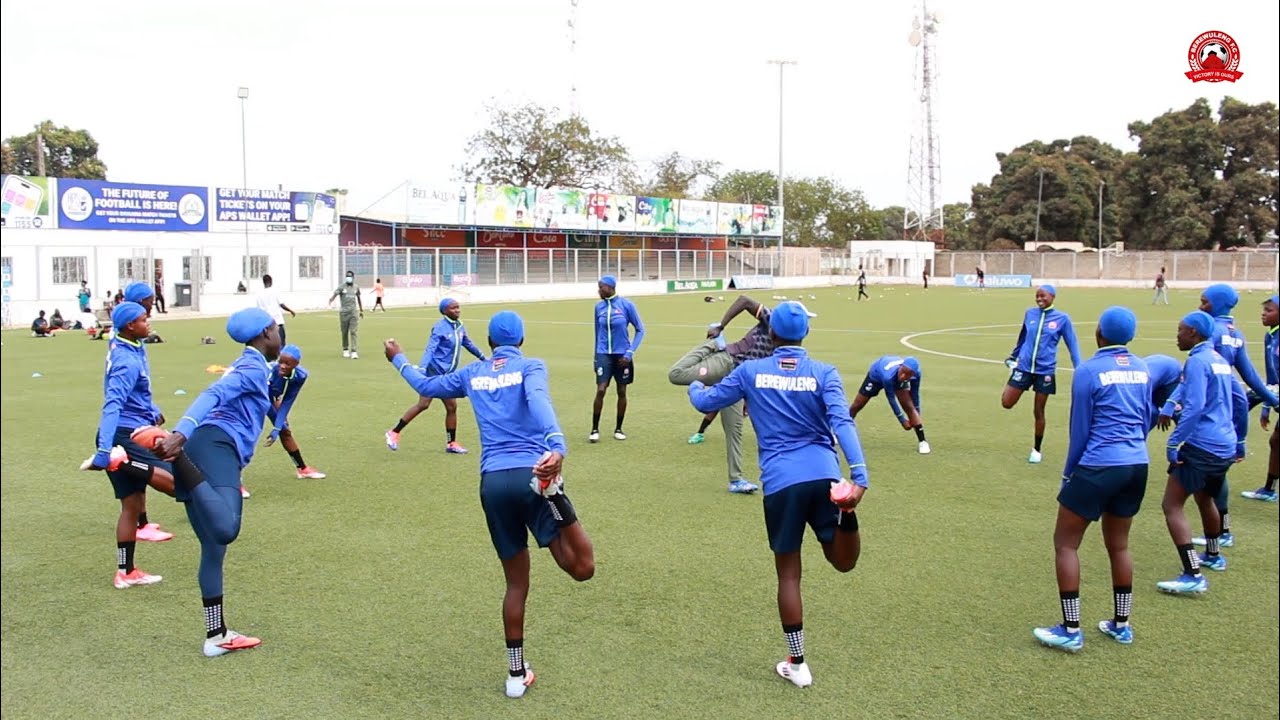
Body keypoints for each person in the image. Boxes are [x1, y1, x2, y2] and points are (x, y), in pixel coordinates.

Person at [382, 311, 595, 699]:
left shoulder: (472, 373)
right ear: (522, 338)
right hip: (532, 473)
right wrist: (557, 444)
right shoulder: (531, 366)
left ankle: (516, 675)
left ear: (491, 341)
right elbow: (537, 398)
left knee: (516, 583)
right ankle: (556, 495)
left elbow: (425, 383)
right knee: (581, 568)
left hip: (493, 483)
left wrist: (397, 357)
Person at [687, 301, 867, 687]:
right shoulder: (824, 372)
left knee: (789, 574)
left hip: (781, 483)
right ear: (805, 334)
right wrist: (860, 476)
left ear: (770, 335)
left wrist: (697, 383)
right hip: (824, 476)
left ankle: (798, 664)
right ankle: (847, 515)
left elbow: (705, 401)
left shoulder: (751, 370)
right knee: (841, 561)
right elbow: (842, 421)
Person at [146, 307, 281, 656]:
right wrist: (180, 435)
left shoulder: (252, 365)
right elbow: (213, 394)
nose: (281, 334)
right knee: (225, 529)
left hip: (207, 445)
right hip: (214, 446)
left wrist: (279, 424)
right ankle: (148, 465)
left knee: (213, 548)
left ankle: (216, 635)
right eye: (277, 329)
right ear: (267, 333)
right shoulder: (251, 367)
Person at [1032, 307, 1149, 652]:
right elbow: (1145, 419)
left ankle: (1071, 629)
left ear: (1099, 332)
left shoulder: (1088, 371)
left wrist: (1069, 474)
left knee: (1066, 544)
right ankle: (1121, 624)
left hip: (1098, 465)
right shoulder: (1142, 369)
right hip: (1137, 463)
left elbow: (1079, 430)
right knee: (1120, 545)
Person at [79, 301, 178, 589]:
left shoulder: (126, 345)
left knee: (131, 506)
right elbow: (113, 405)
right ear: (130, 326)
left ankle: (126, 572)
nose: (149, 323)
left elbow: (135, 393)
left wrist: (151, 410)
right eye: (144, 319)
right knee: (174, 483)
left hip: (124, 431)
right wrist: (105, 450)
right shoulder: (126, 361)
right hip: (125, 435)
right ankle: (120, 460)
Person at [668, 294, 803, 494]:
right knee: (676, 374)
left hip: (737, 382)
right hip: (727, 361)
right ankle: (714, 345)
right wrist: (720, 327)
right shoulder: (773, 319)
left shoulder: (788, 347)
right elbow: (744, 300)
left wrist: (748, 399)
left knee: (735, 429)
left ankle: (736, 480)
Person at [1156, 311, 1236, 595]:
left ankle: (1192, 573)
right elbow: (1236, 399)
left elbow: (1195, 406)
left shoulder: (1197, 360)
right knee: (1206, 498)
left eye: (1180, 330)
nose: (1177, 334)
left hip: (1203, 445)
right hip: (1224, 444)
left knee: (1171, 505)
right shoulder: (1219, 360)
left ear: (1193, 333)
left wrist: (1174, 442)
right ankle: (1213, 555)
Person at [386, 298, 487, 453]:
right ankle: (394, 432)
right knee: (424, 404)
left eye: (458, 307)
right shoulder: (439, 328)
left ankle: (451, 443)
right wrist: (421, 369)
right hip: (434, 373)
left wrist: (484, 359)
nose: (457, 310)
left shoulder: (459, 326)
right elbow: (430, 350)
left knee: (451, 407)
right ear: (444, 311)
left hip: (448, 374)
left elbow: (468, 344)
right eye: (453, 308)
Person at [1002, 285, 1082, 464]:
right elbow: (1022, 338)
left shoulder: (1062, 319)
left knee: (1038, 410)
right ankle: (1036, 448)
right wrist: (1013, 356)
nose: (1039, 299)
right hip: (1023, 368)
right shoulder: (1030, 314)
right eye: (1037, 296)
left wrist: (1080, 368)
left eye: (1043, 296)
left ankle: (1036, 450)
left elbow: (1073, 345)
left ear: (1052, 297)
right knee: (1006, 402)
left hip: (1045, 371)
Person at [590, 275, 645, 442]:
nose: (599, 290)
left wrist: (629, 353)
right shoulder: (598, 307)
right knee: (601, 389)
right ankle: (594, 429)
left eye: (601, 287)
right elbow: (597, 332)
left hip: (622, 356)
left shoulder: (626, 305)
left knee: (621, 391)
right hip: (603, 354)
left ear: (610, 288)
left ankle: (618, 428)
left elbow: (640, 330)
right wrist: (595, 357)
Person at [264, 344, 326, 480]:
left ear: (296, 364)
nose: (282, 366)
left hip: (271, 398)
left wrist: (278, 426)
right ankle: (234, 481)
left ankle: (302, 469)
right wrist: (277, 425)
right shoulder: (268, 370)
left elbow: (287, 401)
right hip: (255, 398)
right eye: (281, 361)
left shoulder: (300, 375)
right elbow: (264, 399)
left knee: (285, 431)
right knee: (248, 434)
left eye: (288, 363)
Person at [850, 355, 930, 454]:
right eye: (902, 372)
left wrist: (917, 413)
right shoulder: (888, 376)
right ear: (900, 367)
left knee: (909, 406)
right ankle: (837, 430)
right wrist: (902, 421)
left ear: (913, 374)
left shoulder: (916, 374)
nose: (903, 376)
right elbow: (891, 398)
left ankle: (923, 441)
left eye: (908, 375)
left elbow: (915, 394)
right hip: (876, 376)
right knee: (857, 405)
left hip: (895, 379)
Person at [1242, 295, 1279, 503]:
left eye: (1269, 310)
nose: (1264, 314)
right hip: (1275, 395)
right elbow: (1271, 377)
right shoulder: (1270, 336)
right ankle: (1269, 490)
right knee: (1276, 441)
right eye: (1264, 310)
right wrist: (1267, 405)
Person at [329, 270, 363, 359]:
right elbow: (335, 294)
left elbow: (358, 298)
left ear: (353, 278)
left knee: (353, 331)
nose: (348, 278)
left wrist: (361, 310)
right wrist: (331, 300)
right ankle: (345, 349)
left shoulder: (356, 287)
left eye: (350, 276)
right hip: (344, 313)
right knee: (344, 332)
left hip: (353, 312)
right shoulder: (341, 287)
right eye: (347, 276)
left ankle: (354, 351)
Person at [256, 274, 296, 346]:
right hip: (277, 321)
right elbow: (281, 304)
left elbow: (260, 310)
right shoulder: (274, 292)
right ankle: (282, 356)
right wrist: (290, 310)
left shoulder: (259, 295)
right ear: (271, 281)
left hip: (267, 323)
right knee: (281, 342)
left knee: (269, 343)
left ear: (263, 282)